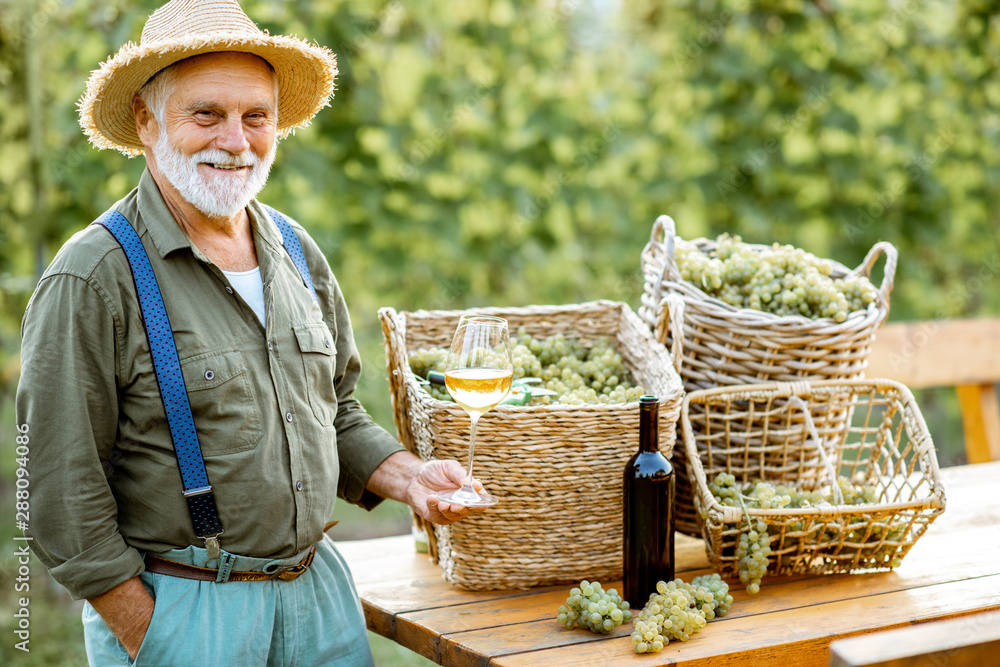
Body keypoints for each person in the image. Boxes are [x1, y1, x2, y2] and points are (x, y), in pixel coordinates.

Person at [15, 1, 487, 664]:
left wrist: (411, 477)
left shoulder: (294, 248)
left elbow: (337, 410)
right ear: (148, 121)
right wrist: (149, 630)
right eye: (206, 113)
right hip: (187, 608)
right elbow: (60, 492)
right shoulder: (94, 275)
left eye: (255, 116)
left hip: (319, 592)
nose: (235, 141)